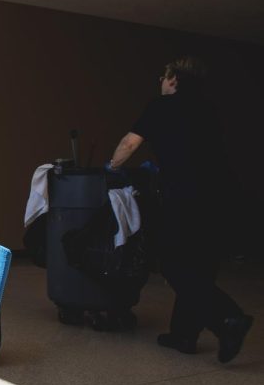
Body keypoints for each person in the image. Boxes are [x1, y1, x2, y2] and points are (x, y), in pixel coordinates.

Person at [106, 55, 253, 363]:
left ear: (173, 79)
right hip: (223, 199)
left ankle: (229, 318)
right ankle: (184, 335)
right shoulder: (211, 109)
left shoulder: (161, 106)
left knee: (174, 265)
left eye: (163, 76)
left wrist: (110, 167)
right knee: (200, 265)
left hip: (186, 197)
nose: (160, 81)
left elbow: (130, 144)